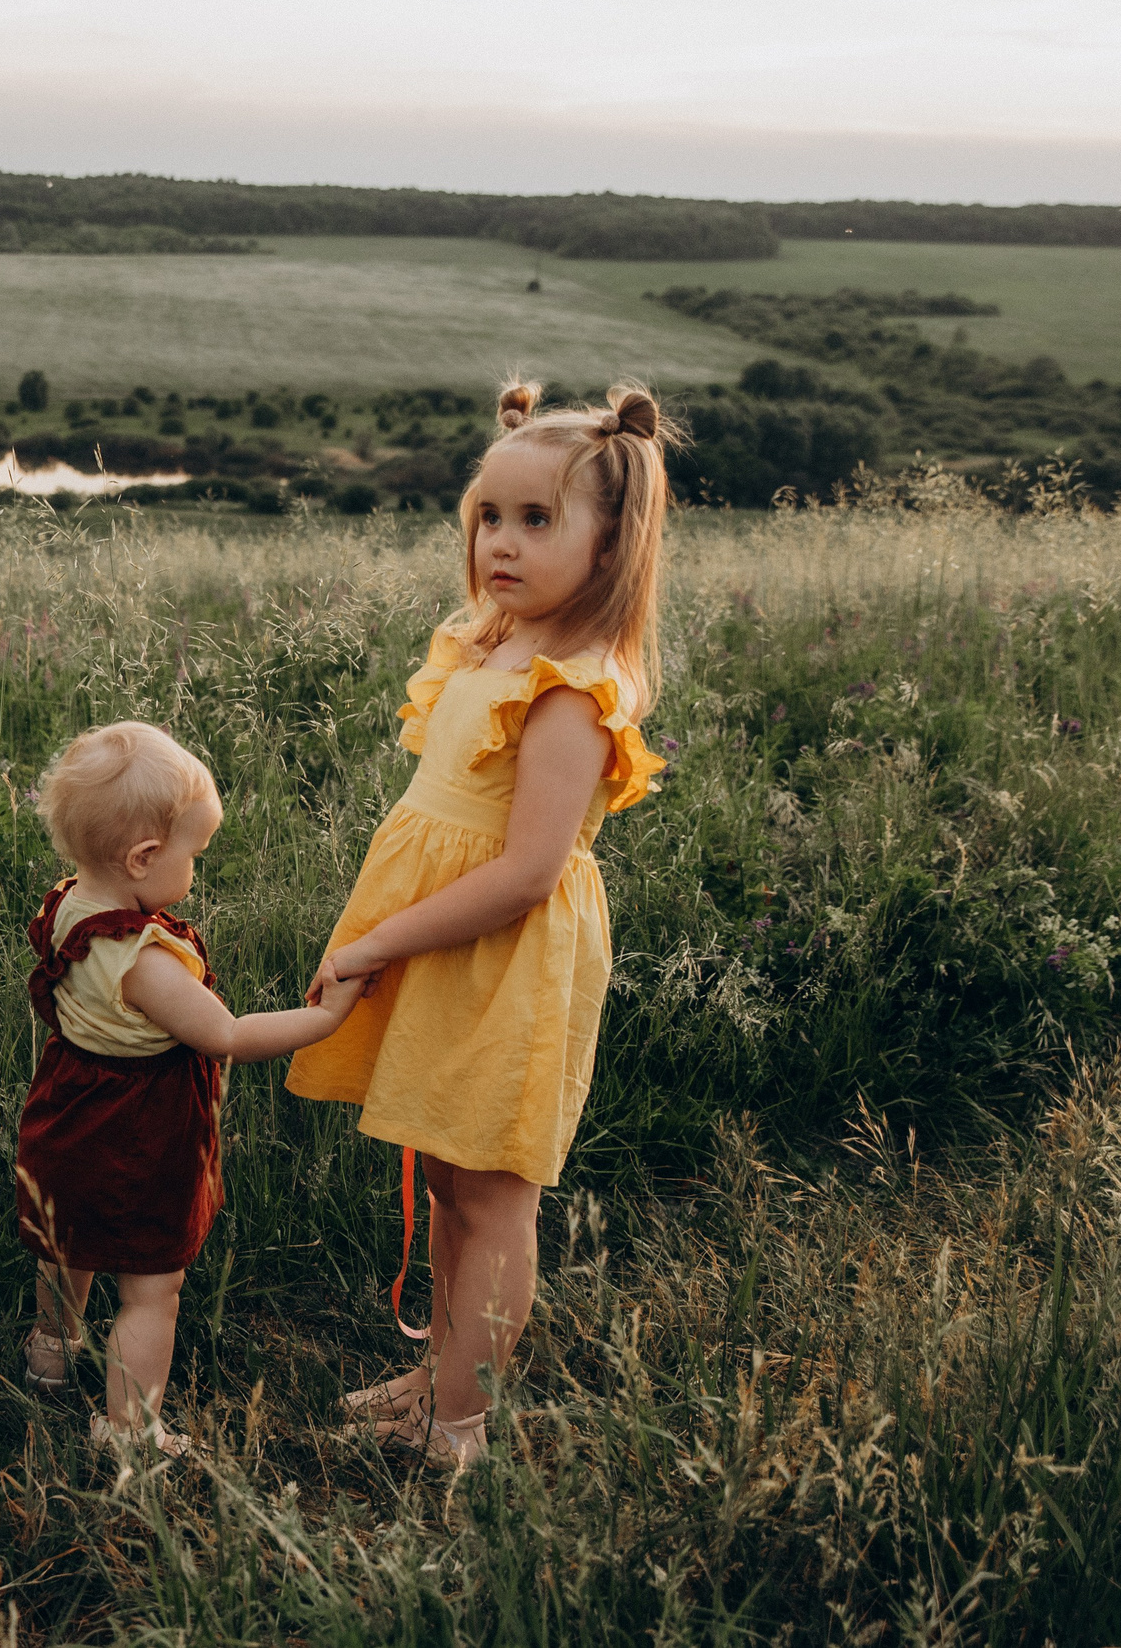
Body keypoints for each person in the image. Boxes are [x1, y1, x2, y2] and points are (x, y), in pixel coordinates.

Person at [289, 380, 677, 1470]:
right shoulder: (493, 647)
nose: (500, 543)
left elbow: (524, 871)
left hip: (501, 954)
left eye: (537, 520)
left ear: (610, 544)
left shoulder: (569, 690)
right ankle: (437, 1374)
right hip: (446, 943)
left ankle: (459, 1423)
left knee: (495, 1192)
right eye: (487, 518)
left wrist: (376, 941)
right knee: (451, 1178)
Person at [15, 721, 368, 1455]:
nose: (195, 872)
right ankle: (129, 1436)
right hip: (136, 1130)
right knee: (150, 1290)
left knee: (66, 1241)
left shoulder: (67, 906)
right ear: (144, 857)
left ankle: (50, 1348)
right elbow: (227, 1035)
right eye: (193, 855)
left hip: (67, 1107)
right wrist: (326, 1017)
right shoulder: (145, 961)